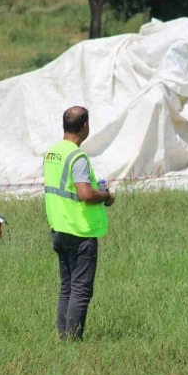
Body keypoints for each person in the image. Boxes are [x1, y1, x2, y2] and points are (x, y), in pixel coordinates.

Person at [43, 106, 115, 340]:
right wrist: (106, 196)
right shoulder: (77, 156)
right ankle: (73, 341)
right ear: (85, 126)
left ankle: (64, 337)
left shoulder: (53, 153)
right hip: (79, 230)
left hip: (59, 227)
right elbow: (85, 194)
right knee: (81, 290)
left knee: (67, 287)